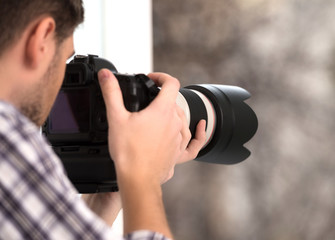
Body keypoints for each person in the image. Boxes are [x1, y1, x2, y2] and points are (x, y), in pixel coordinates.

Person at [0, 0, 206, 239]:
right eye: (63, 61)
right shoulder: (8, 140)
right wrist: (142, 176)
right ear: (42, 38)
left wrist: (104, 201)